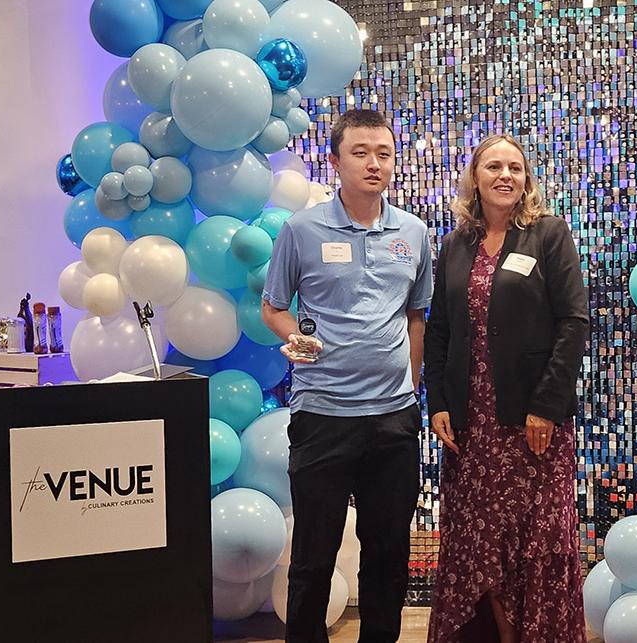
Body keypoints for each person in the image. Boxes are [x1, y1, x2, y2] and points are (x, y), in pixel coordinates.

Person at [261, 108, 434, 643]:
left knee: (388, 554)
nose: (373, 163)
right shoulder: (301, 229)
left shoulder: (413, 232)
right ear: (335, 161)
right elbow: (273, 307)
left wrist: (409, 389)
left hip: (393, 420)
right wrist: (296, 337)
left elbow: (416, 317)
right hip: (322, 415)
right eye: (360, 153)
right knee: (314, 555)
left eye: (384, 154)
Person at [424, 134, 588, 643]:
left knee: (534, 542)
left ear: (526, 179)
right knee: (480, 543)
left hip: (531, 424)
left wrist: (546, 407)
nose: (505, 175)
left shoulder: (548, 234)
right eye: (493, 166)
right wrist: (438, 403)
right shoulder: (455, 245)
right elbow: (439, 330)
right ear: (475, 178)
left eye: (515, 167)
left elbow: (574, 323)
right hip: (471, 429)